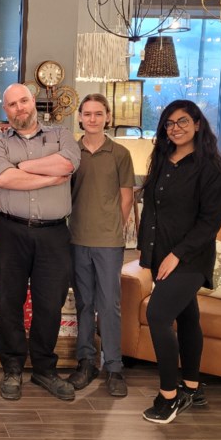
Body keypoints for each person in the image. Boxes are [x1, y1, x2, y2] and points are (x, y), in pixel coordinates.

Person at [0, 84, 81, 401]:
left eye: (23, 100)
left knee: (49, 305)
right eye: (11, 104)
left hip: (54, 234)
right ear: (6, 110)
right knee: (9, 303)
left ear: (32, 103)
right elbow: (3, 179)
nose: (19, 108)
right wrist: (49, 176)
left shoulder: (61, 135)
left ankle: (44, 370)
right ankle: (12, 369)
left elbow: (68, 163)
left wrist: (23, 167)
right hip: (9, 231)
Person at [138, 100, 221, 424]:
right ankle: (192, 386)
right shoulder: (163, 158)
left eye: (182, 121)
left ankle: (169, 397)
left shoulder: (211, 167)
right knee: (188, 317)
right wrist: (148, 252)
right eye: (169, 123)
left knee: (158, 314)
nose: (175, 128)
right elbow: (155, 209)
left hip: (190, 258)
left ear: (198, 124)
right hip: (163, 254)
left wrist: (176, 255)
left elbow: (209, 223)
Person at [67, 94, 135, 397]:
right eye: (87, 114)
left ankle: (114, 366)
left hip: (108, 241)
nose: (92, 119)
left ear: (107, 117)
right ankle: (86, 362)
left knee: (109, 305)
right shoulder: (71, 152)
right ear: (80, 117)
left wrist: (112, 227)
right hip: (76, 238)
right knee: (84, 304)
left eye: (98, 113)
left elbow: (126, 197)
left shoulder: (119, 153)